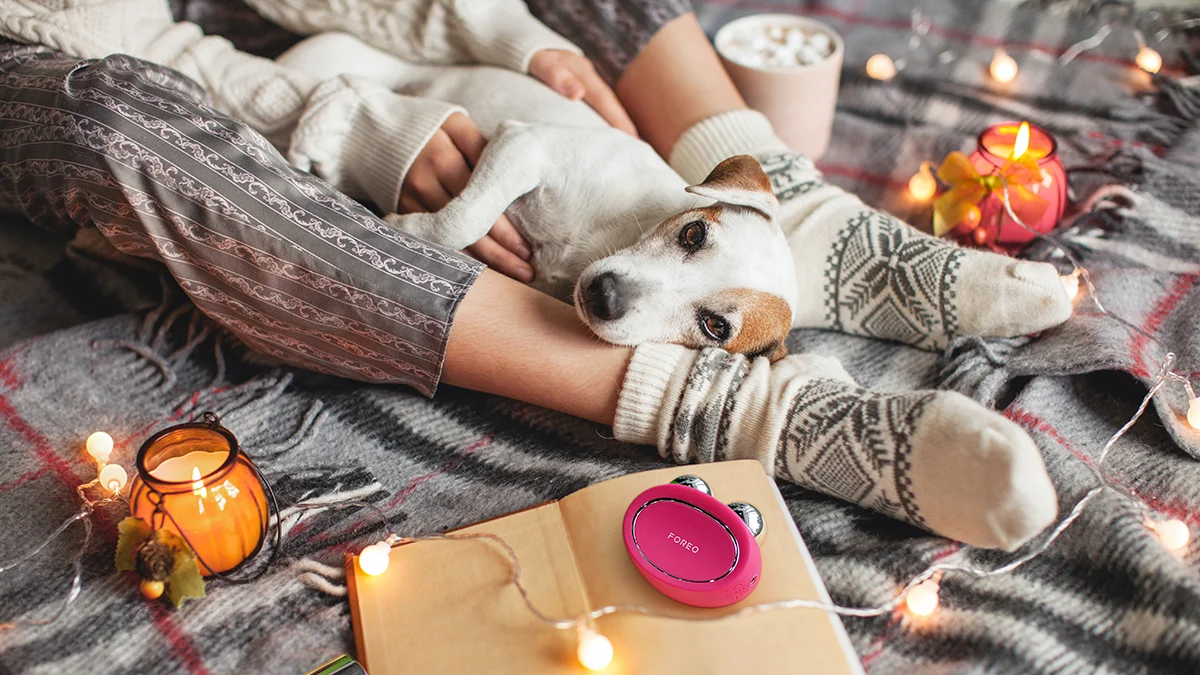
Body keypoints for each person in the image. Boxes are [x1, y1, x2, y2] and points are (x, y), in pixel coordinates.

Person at [0, 0, 1059, 551]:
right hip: (111, 65)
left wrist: (514, 37)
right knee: (123, 123)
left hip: (401, 56)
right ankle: (731, 404)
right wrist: (355, 126)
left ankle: (788, 205)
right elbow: (129, 43)